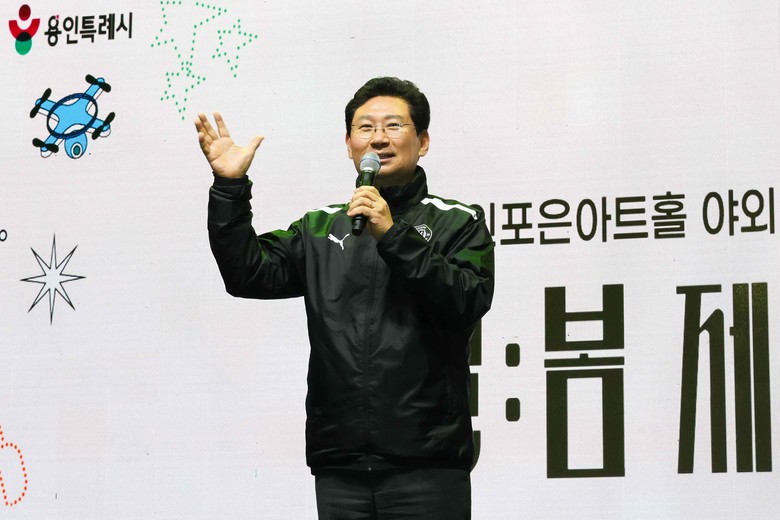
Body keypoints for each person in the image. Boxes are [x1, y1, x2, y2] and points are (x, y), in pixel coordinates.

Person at [196, 77, 494, 519]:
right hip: (340, 464)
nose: (379, 138)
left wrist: (392, 234)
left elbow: (468, 298)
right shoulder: (320, 229)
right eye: (365, 128)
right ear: (350, 145)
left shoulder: (457, 222)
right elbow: (247, 274)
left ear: (423, 141)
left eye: (394, 126)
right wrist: (229, 187)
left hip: (426, 461)